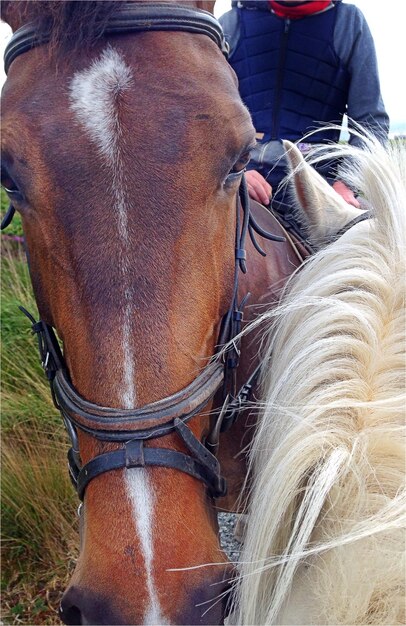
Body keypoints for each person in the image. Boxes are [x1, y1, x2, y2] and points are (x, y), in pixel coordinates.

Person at [219, 0, 389, 210]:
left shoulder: (348, 23)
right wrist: (234, 172)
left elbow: (371, 123)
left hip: (320, 186)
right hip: (243, 181)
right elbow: (205, 117)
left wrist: (346, 183)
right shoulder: (230, 24)